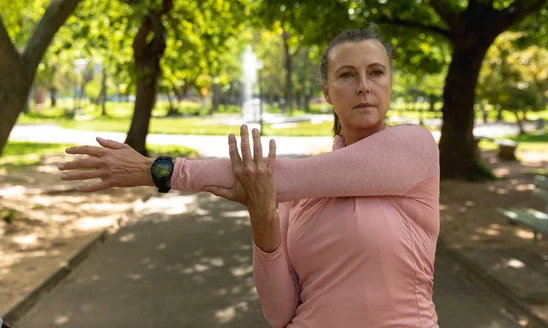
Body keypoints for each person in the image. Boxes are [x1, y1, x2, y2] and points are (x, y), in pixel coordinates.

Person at [58, 29, 440, 327]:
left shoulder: (414, 148)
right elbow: (279, 313)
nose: (363, 85)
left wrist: (156, 170)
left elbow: (279, 175)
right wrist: (263, 216)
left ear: (390, 83)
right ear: (326, 92)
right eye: (346, 75)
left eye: (376, 72)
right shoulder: (296, 194)